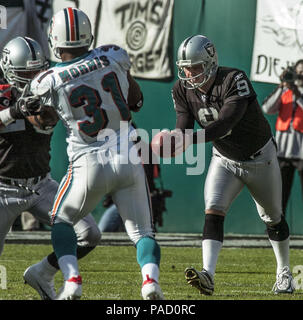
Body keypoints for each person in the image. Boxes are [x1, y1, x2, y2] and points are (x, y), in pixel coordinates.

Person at [30, 7, 164, 300]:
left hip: (88, 163)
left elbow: (45, 121)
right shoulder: (113, 55)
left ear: (54, 39)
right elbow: (135, 100)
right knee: (143, 231)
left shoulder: (48, 79)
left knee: (62, 220)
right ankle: (150, 282)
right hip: (128, 157)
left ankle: (73, 280)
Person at [152, 34, 295, 295]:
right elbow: (183, 127)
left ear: (210, 62)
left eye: (195, 66)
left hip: (260, 157)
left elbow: (225, 124)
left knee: (273, 218)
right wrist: (174, 140)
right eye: (185, 67)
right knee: (213, 210)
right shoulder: (181, 89)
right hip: (225, 159)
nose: (189, 73)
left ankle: (284, 273)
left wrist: (188, 140)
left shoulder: (234, 79)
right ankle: (208, 274)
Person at [0, 36, 101, 300]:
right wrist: (14, 110)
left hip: (41, 186)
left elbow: (46, 122)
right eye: (26, 73)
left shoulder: (52, 88)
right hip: (2, 189)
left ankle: (42, 273)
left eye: (37, 70)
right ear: (9, 70)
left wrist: (41, 108)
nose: (34, 77)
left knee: (89, 234)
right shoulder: (1, 92)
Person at [262, 60, 303, 217]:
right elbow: (266, 108)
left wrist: (296, 92)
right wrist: (282, 85)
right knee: (279, 194)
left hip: (301, 152)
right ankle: (278, 229)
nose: (300, 75)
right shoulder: (285, 91)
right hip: (283, 152)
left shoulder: (297, 92)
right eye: (297, 71)